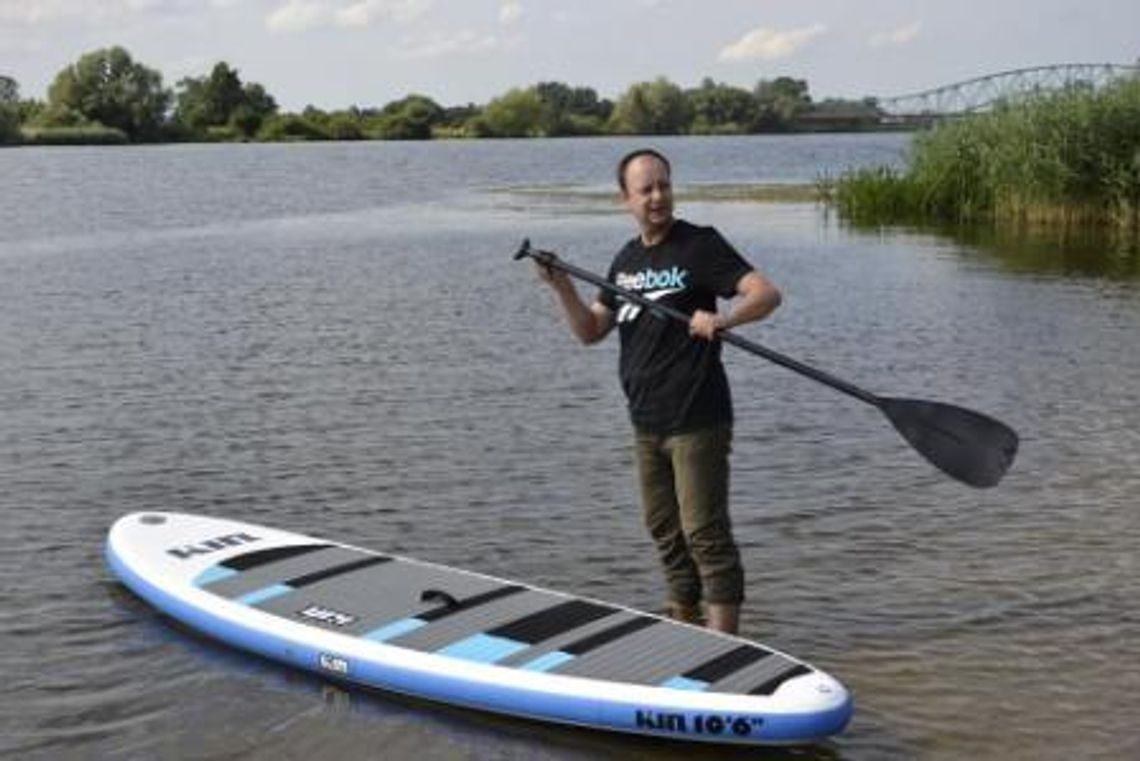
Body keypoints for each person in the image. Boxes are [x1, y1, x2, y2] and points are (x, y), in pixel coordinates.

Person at [533, 148, 782, 634]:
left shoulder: (699, 245)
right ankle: (683, 625)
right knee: (666, 535)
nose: (658, 197)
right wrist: (561, 286)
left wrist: (724, 319)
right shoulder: (625, 262)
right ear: (625, 198)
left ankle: (723, 646)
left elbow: (766, 294)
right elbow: (590, 331)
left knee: (705, 535)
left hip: (698, 419)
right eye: (646, 189)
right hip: (646, 423)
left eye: (663, 185)